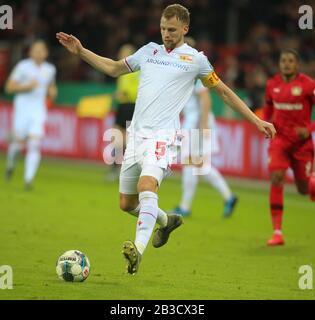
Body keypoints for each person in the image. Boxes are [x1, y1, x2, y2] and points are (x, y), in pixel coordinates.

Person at [57, 4, 275, 275]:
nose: (166, 34)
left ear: (185, 28)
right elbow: (113, 68)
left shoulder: (195, 60)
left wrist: (256, 120)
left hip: (164, 136)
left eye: (171, 30)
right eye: (162, 28)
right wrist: (81, 52)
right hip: (136, 135)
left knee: (147, 185)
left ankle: (137, 249)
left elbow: (224, 93)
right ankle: (166, 220)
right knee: (126, 203)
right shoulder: (148, 51)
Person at [263, 49, 315, 246]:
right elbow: (268, 108)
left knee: (303, 189)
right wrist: (265, 123)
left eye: (290, 61)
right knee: (276, 178)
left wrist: (309, 128)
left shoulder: (308, 85)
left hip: (302, 145)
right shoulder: (272, 85)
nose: (286, 64)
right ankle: (277, 232)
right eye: (283, 60)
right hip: (279, 142)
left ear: (297, 65)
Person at [171, 78, 238, 218]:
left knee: (190, 163)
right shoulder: (186, 74)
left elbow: (206, 98)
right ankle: (229, 197)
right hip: (193, 123)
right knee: (200, 166)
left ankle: (185, 207)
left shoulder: (195, 74)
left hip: (197, 124)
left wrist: (203, 123)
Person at [5, 40, 57, 190]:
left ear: (46, 53)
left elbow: (51, 88)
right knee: (17, 144)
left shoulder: (50, 69)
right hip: (22, 109)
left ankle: (28, 180)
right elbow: (9, 87)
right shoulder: (23, 67)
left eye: (42, 50)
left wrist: (52, 92)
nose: (39, 53)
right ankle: (10, 164)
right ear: (30, 52)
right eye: (36, 50)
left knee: (34, 143)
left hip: (38, 110)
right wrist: (27, 86)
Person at [107, 44, 140, 181]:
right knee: (117, 138)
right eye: (121, 52)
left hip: (131, 106)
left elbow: (135, 91)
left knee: (125, 139)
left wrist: (123, 94)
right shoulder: (122, 71)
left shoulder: (135, 71)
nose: (122, 55)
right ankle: (117, 168)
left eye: (125, 53)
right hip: (122, 106)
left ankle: (126, 168)